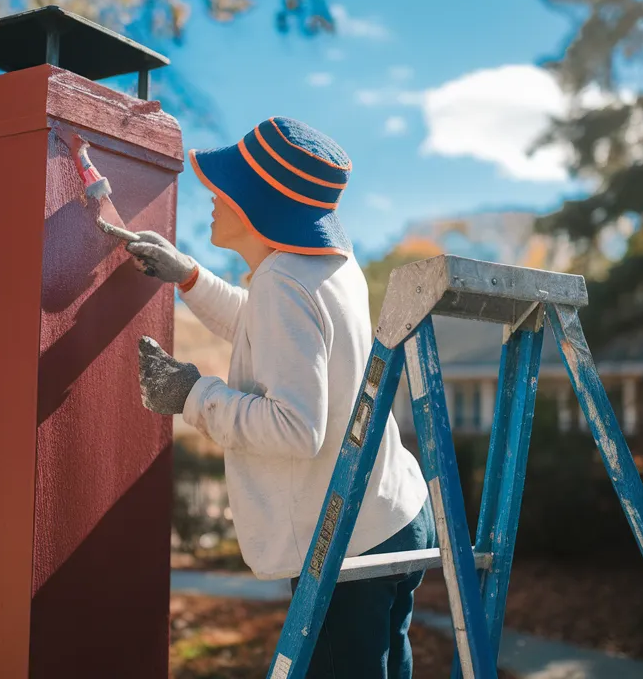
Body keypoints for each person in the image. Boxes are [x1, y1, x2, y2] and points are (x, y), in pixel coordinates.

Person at [126, 116, 433, 679]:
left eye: (228, 187)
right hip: (392, 513)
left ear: (259, 204)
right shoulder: (324, 269)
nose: (213, 197)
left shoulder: (282, 284)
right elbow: (275, 336)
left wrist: (192, 394)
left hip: (348, 544)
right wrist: (189, 276)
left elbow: (295, 427)